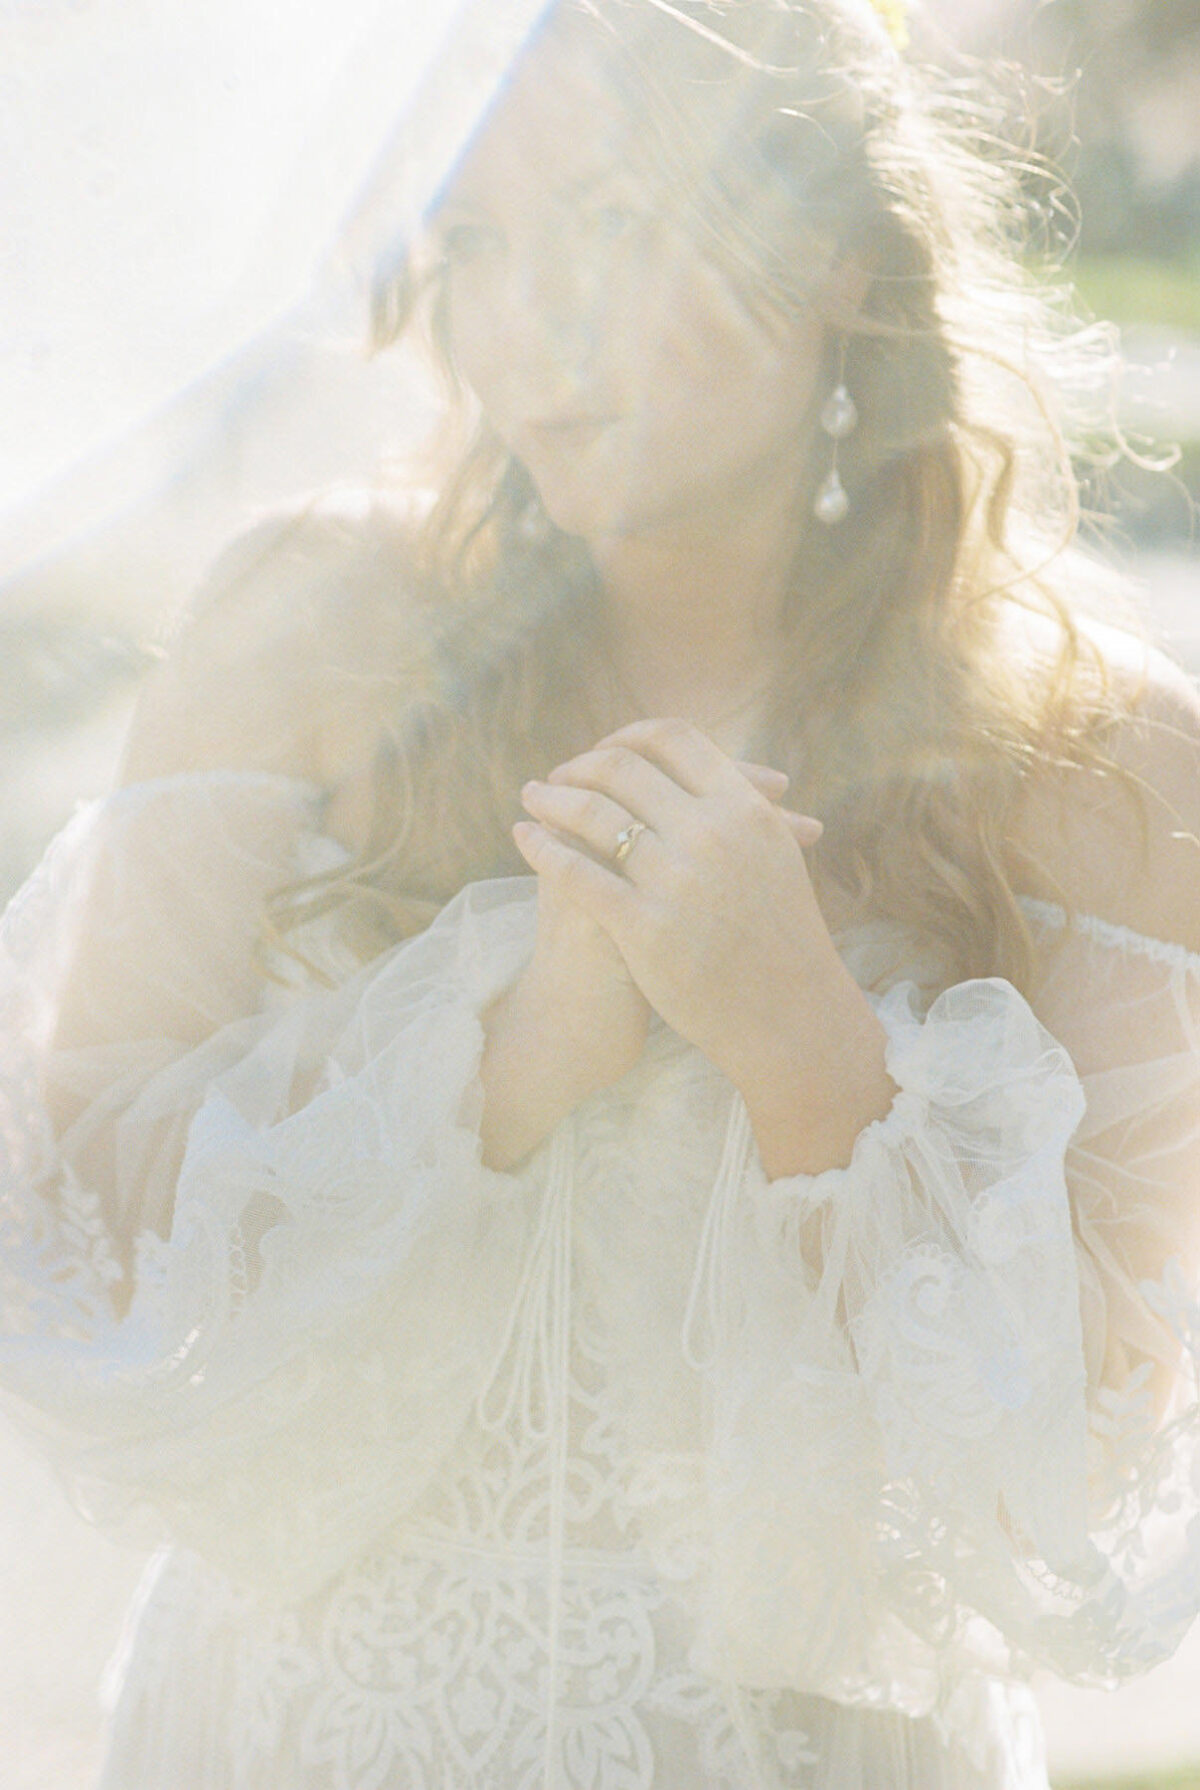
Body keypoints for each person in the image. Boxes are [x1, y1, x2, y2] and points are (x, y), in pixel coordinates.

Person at [2, 0, 1199, 1785]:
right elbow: (72, 1245)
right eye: (478, 240)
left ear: (828, 254)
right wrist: (512, 1047)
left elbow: (1092, 1500)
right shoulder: (304, 633)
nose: (523, 325)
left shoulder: (1097, 759)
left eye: (619, 222)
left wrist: (808, 1054)